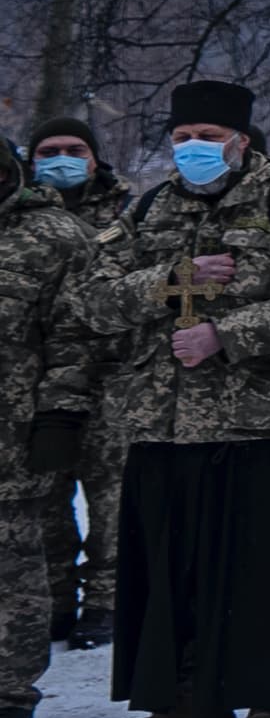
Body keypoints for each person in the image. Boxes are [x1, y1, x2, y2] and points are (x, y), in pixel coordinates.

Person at [65, 81, 270, 718]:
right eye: (181, 137)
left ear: (241, 141)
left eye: (207, 136)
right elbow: (92, 298)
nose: (192, 148)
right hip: (164, 421)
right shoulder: (142, 210)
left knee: (266, 564)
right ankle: (186, 698)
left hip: (262, 420)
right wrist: (174, 280)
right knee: (175, 570)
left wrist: (231, 334)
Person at [0, 140, 98, 718]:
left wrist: (60, 413)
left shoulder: (56, 235)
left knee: (11, 570)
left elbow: (76, 334)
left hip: (12, 432)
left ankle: (9, 697)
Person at [24, 116, 122, 650]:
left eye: (74, 149)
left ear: (95, 157)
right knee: (43, 497)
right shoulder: (16, 215)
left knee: (112, 497)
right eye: (49, 150)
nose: (61, 159)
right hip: (33, 385)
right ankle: (55, 596)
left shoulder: (128, 212)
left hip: (112, 381)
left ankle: (106, 600)